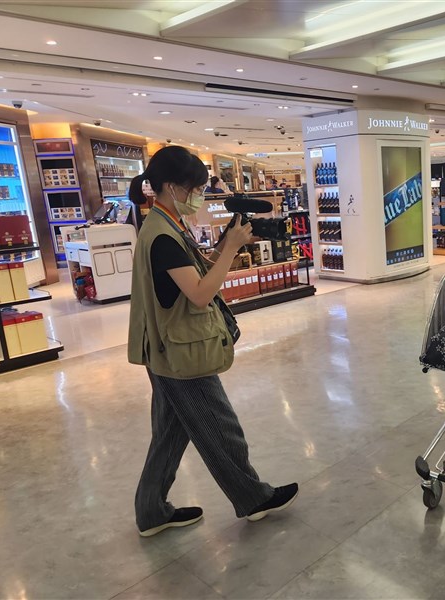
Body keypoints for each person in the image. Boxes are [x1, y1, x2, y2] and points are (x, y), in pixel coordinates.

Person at [127, 146, 298, 537]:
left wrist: (224, 245)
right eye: (196, 189)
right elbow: (201, 293)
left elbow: (196, 269)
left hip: (167, 350)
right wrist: (233, 249)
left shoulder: (164, 224)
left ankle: (151, 511)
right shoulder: (162, 236)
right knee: (221, 428)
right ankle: (253, 498)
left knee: (170, 434)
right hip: (182, 352)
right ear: (172, 187)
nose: (200, 196)